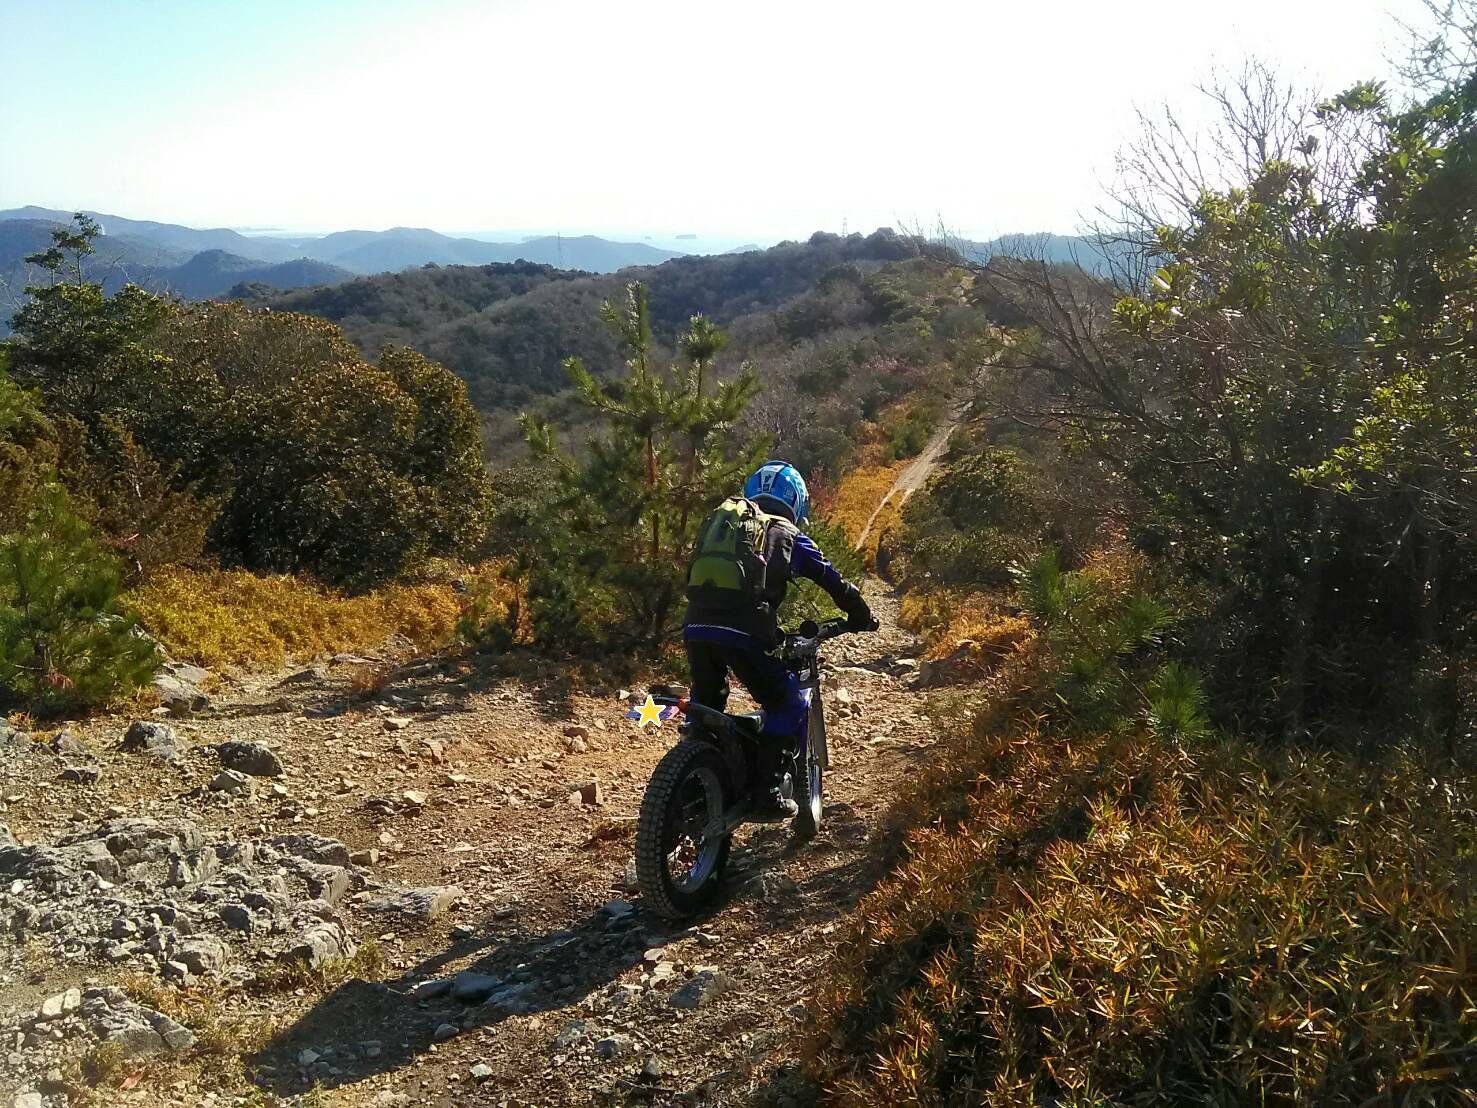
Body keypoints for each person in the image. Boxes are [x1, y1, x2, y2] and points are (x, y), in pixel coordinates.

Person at [682, 460, 876, 818]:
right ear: (797, 502)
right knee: (788, 703)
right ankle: (767, 791)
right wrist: (861, 616)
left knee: (707, 707)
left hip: (695, 627)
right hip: (744, 632)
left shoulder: (729, 526)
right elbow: (833, 582)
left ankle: (693, 779)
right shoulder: (788, 534)